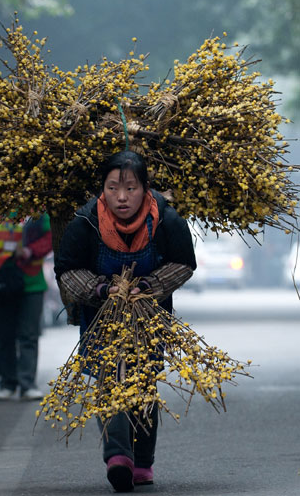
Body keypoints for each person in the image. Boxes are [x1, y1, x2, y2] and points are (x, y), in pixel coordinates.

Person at [54, 150, 197, 492]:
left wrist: (149, 286)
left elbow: (184, 263)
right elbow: (67, 271)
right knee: (110, 377)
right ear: (101, 189)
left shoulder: (166, 219)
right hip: (101, 314)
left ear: (146, 189)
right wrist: (101, 289)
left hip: (149, 315)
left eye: (131, 188)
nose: (121, 196)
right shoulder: (85, 221)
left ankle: (143, 461)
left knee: (143, 379)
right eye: (113, 187)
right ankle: (119, 457)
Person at [0, 212, 52, 401]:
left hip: (32, 282)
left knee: (28, 335)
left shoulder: (36, 209)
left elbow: (50, 237)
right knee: (5, 336)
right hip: (2, 283)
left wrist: (30, 251)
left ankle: (27, 384)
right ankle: (8, 383)